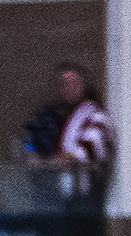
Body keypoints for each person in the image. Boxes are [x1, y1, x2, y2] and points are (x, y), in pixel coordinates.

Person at [20, 62, 114, 201]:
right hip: (61, 194)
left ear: (84, 86)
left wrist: (44, 164)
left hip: (86, 196)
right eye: (64, 84)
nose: (68, 88)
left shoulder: (96, 115)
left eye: (74, 83)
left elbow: (85, 153)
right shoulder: (62, 115)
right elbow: (32, 139)